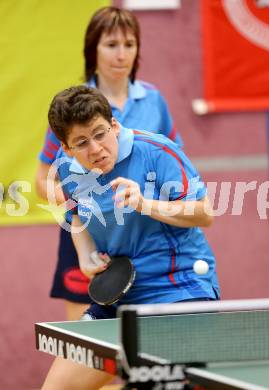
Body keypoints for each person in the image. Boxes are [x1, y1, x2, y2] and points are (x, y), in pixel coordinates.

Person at [41, 85, 220, 389]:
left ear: (114, 125)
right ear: (67, 148)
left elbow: (205, 213)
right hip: (119, 296)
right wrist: (86, 256)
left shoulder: (156, 152)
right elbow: (77, 219)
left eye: (100, 134)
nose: (95, 149)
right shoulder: (67, 169)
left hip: (178, 290)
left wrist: (146, 204)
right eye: (81, 142)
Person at [35, 6, 183, 321]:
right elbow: (43, 182)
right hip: (90, 232)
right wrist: (85, 202)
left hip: (146, 236)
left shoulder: (154, 101)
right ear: (93, 49)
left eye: (129, 45)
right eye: (111, 45)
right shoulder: (70, 111)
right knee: (87, 347)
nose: (121, 55)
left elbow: (176, 166)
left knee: (146, 353)